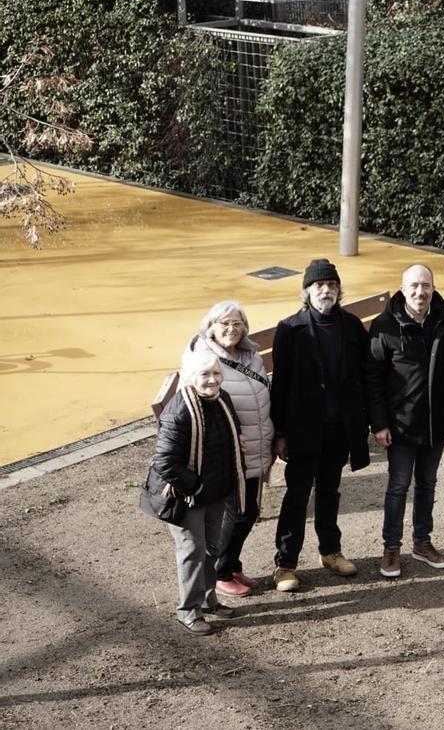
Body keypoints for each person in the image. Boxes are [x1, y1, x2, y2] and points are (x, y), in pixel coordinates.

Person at [270, 259, 370, 590]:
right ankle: (285, 564)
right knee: (297, 495)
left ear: (339, 290)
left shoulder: (353, 327)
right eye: (318, 285)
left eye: (331, 285)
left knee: (330, 491)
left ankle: (331, 551)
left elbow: (363, 377)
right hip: (302, 430)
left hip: (338, 429)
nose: (326, 290)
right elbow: (280, 385)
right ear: (306, 291)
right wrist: (280, 432)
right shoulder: (290, 329)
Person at [144, 350, 245, 635]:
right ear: (191, 378)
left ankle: (209, 600)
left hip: (215, 489)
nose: (212, 380)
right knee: (192, 550)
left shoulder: (221, 399)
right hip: (186, 495)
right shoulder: (180, 411)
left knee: (213, 547)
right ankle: (188, 610)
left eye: (216, 373)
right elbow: (165, 463)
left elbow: (230, 437)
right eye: (204, 374)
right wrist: (196, 486)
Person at [365, 264, 444, 578]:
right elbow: (373, 379)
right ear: (402, 288)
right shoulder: (385, 325)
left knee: (427, 484)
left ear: (433, 287)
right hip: (400, 424)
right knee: (398, 486)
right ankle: (392, 546)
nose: (421, 292)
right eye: (414, 286)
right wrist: (379, 424)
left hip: (435, 422)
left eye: (426, 285)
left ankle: (422, 542)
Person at [182, 301, 273, 598]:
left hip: (256, 444)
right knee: (238, 512)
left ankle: (231, 564)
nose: (231, 329)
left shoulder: (250, 354)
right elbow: (194, 404)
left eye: (237, 323)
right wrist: (224, 438)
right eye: (224, 323)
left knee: (249, 510)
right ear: (211, 327)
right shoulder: (203, 357)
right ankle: (220, 572)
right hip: (227, 450)